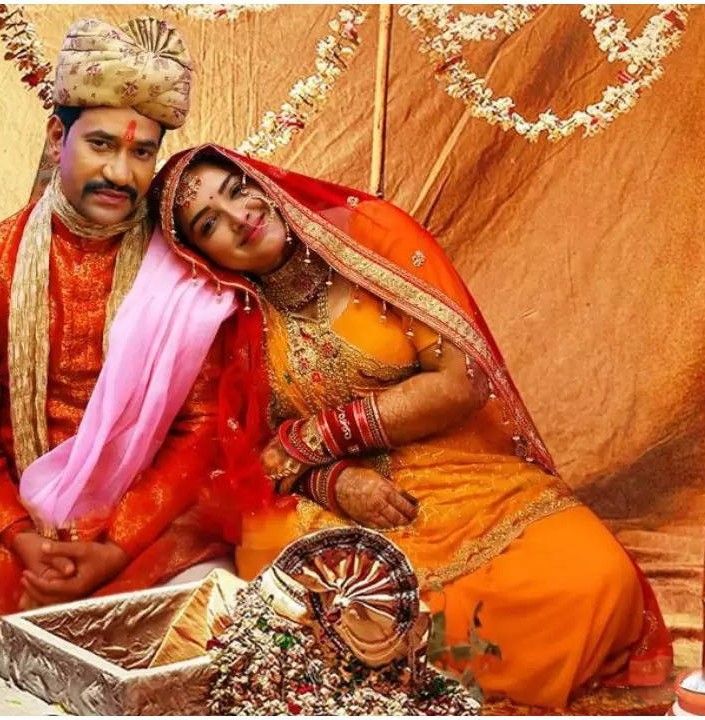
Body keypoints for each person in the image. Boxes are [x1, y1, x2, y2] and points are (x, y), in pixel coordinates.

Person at [146, 144, 674, 708]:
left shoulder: (371, 236)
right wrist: (334, 482)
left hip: (460, 472)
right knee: (343, 614)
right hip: (331, 505)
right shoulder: (230, 316)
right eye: (210, 224)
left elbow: (459, 382)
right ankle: (406, 687)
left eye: (235, 189)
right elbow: (253, 459)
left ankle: (423, 690)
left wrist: (315, 439)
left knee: (596, 580)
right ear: (203, 255)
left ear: (261, 180)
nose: (238, 216)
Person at [0, 18, 234, 667]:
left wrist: (113, 547)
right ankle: (93, 651)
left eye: (142, 153)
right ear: (59, 136)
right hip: (20, 527)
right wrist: (22, 538)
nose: (121, 170)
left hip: (148, 529)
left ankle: (49, 653)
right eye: (103, 144)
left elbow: (199, 429)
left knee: (220, 611)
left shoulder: (183, 268)